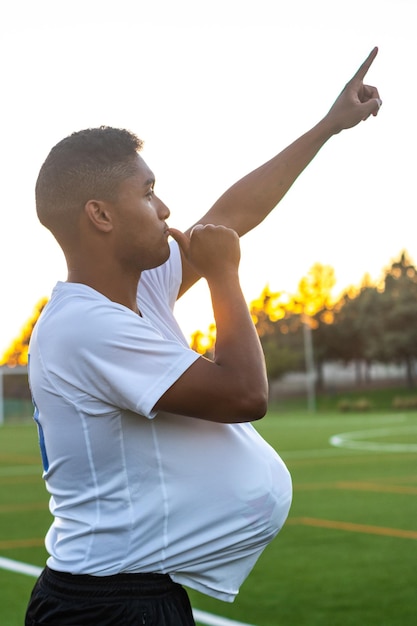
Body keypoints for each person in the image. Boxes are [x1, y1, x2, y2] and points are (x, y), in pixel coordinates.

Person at [25, 48, 381, 625]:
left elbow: (230, 214)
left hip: (134, 592)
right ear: (100, 215)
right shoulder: (84, 326)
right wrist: (224, 275)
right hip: (109, 607)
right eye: (147, 192)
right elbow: (244, 394)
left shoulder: (132, 292)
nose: (165, 209)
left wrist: (328, 126)